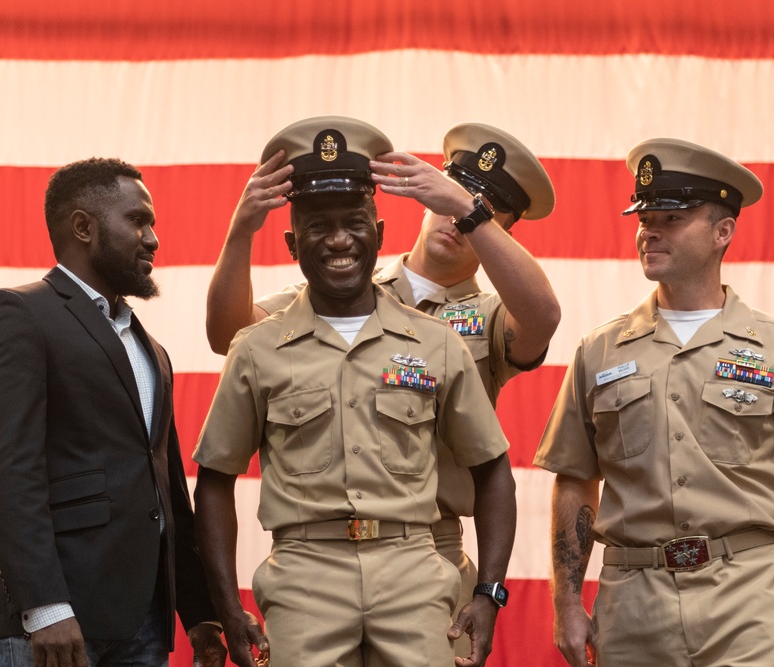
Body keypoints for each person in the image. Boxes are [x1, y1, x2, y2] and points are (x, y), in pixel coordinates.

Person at [204, 122, 560, 656]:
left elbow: (542, 317)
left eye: (482, 210)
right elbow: (229, 335)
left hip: (427, 550)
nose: (456, 221)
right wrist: (239, 232)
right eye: (451, 196)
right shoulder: (326, 288)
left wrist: (468, 207)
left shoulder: (481, 319)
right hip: (312, 559)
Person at [534, 138, 774, 667]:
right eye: (645, 218)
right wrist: (564, 602)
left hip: (750, 605)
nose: (650, 231)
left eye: (672, 218)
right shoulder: (597, 352)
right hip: (632, 608)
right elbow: (575, 482)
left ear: (724, 232)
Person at [0, 158, 226, 667]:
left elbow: (167, 488)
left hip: (144, 619)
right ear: (82, 226)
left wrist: (199, 613)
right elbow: (6, 472)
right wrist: (44, 608)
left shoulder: (151, 348)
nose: (152, 238)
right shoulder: (17, 313)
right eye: (137, 220)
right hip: (57, 622)